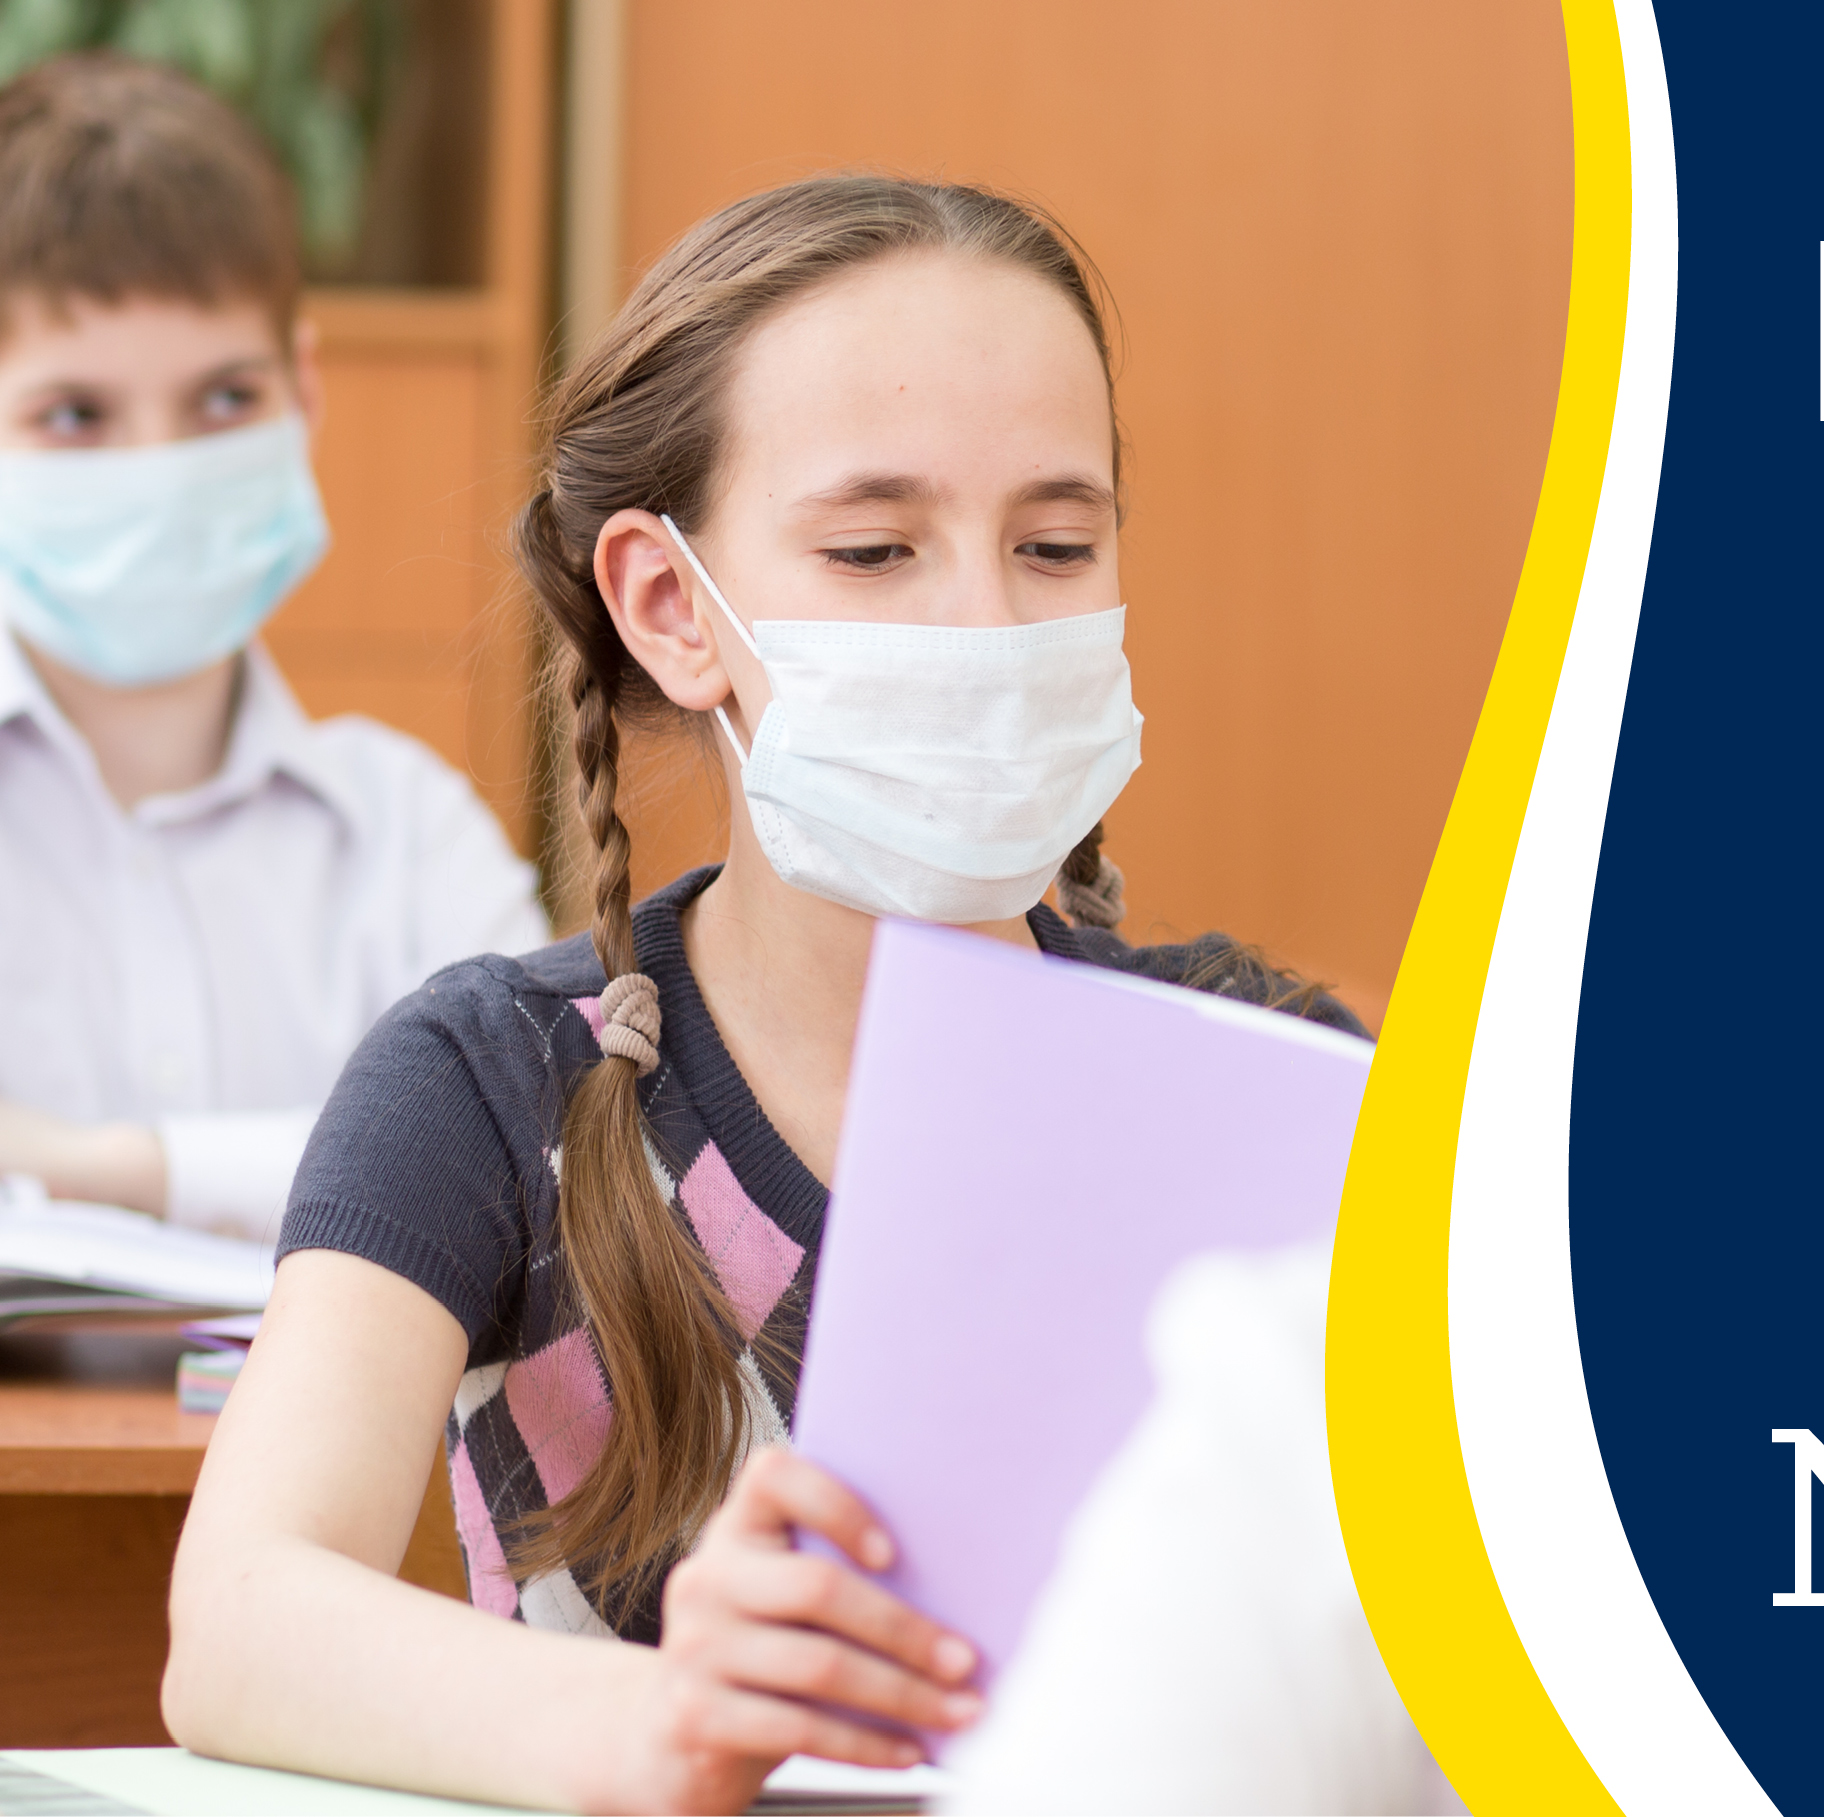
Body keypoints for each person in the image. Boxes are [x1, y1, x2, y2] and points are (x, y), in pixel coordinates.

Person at [166, 176, 1445, 1816]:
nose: (985, 620)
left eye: (1056, 542)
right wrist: (657, 1722)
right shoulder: (492, 1078)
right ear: (671, 605)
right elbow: (240, 1617)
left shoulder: (1269, 1079)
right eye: (873, 546)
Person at [0, 52, 545, 1241]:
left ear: (303, 388)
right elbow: (434, 1165)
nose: (158, 468)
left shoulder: (409, 833)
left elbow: (545, 1152)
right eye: (75, 414)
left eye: (223, 399)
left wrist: (99, 1164)